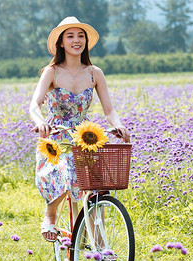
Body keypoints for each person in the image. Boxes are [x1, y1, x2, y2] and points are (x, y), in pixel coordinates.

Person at [29, 16, 131, 242]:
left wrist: (119, 125)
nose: (76, 40)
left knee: (96, 188)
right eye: (70, 36)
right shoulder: (51, 72)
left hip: (84, 136)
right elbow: (34, 105)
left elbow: (109, 110)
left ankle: (100, 245)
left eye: (80, 36)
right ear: (61, 43)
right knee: (65, 171)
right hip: (55, 135)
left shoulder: (95, 73)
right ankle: (50, 214)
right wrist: (40, 122)